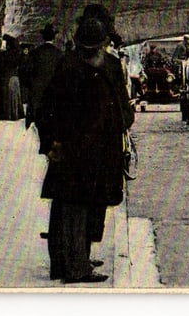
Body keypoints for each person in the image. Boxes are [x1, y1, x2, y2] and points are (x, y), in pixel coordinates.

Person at [40, 16, 134, 283]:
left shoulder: (68, 65)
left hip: (75, 153)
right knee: (79, 212)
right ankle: (76, 268)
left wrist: (51, 144)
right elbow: (118, 112)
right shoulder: (102, 69)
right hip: (88, 155)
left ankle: (64, 264)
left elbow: (46, 108)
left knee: (70, 210)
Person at [23, 23, 63, 146]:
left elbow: (26, 72)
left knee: (39, 123)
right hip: (54, 96)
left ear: (43, 37)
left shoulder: (36, 53)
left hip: (37, 95)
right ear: (54, 37)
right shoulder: (59, 54)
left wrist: (31, 86)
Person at [0, 34, 24, 121]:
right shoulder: (17, 54)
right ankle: (15, 113)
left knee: (7, 96)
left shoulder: (4, 54)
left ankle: (8, 114)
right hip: (15, 77)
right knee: (15, 97)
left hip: (7, 77)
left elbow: (1, 66)